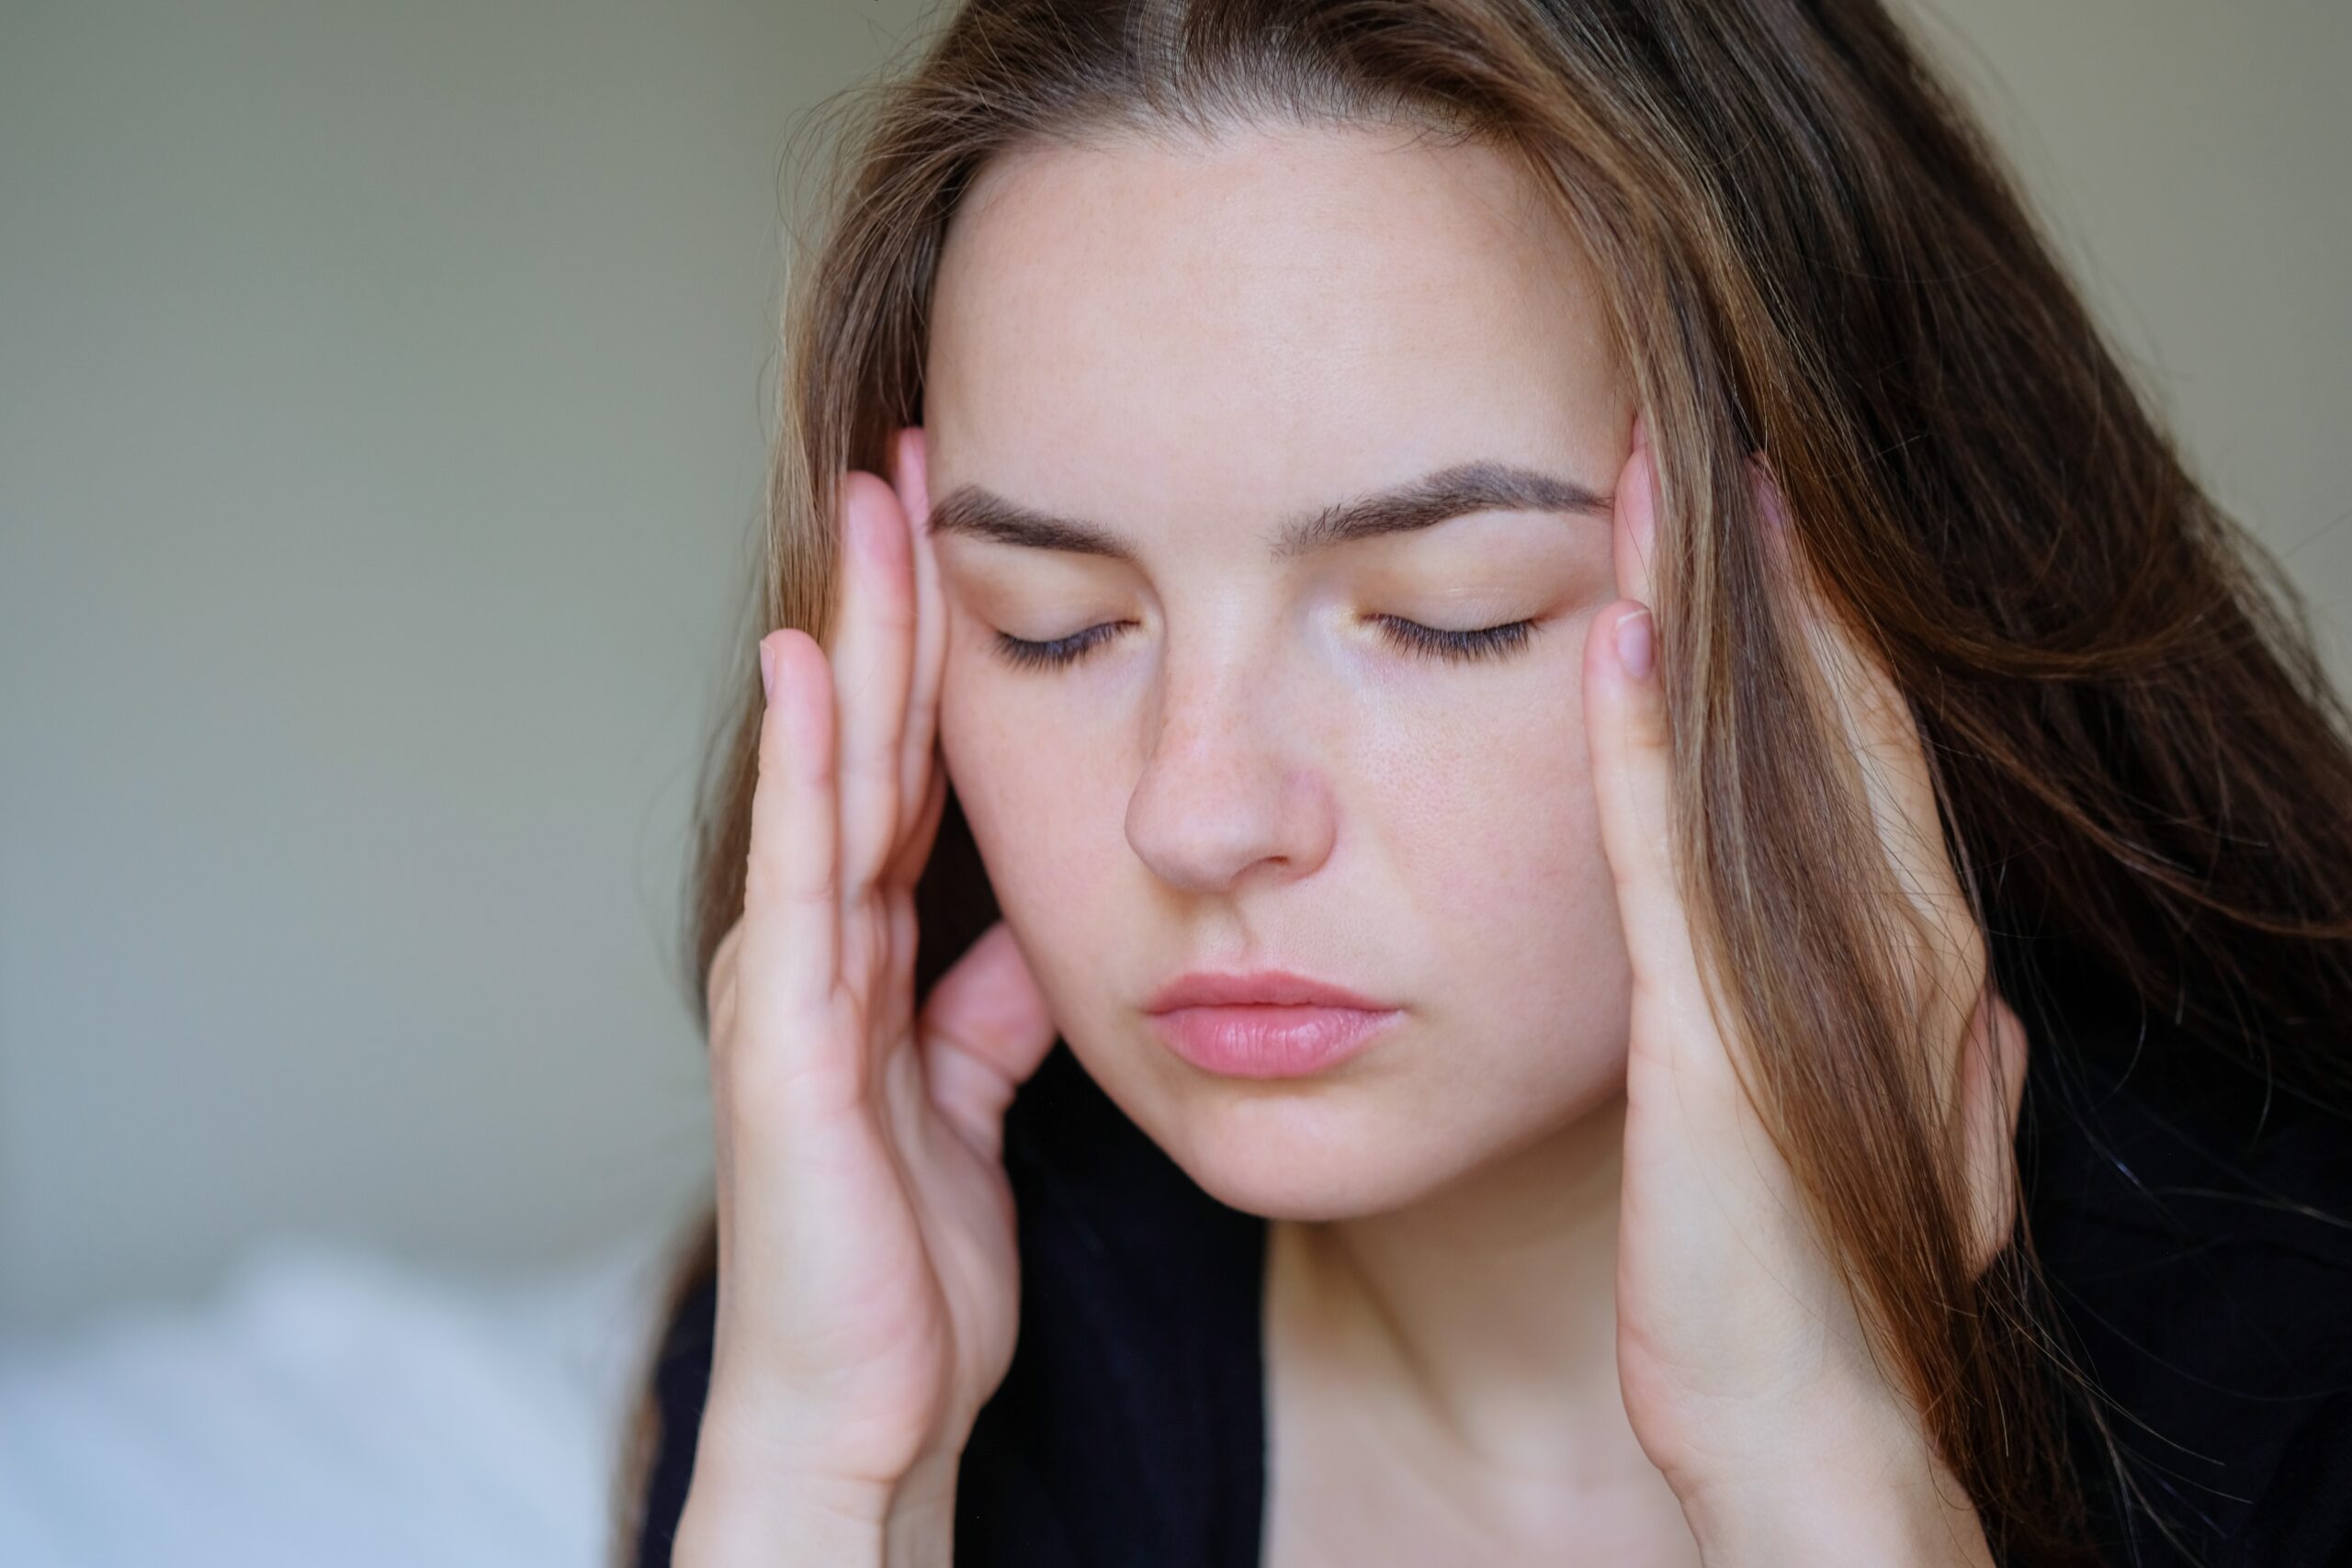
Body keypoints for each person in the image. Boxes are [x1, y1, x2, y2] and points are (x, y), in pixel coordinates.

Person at [612, 2, 2352, 1563]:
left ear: (1844, 625)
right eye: (1057, 628)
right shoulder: (863, 1351)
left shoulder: (2287, 1382)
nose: (1197, 814)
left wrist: (1819, 1475)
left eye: (1450, 618)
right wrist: (829, 1483)